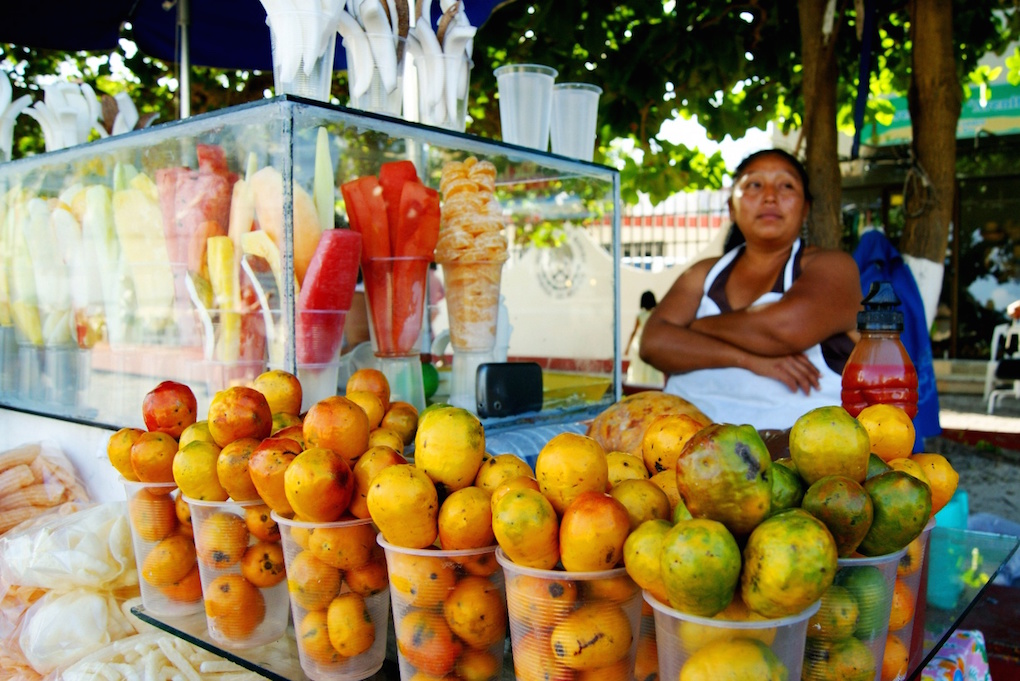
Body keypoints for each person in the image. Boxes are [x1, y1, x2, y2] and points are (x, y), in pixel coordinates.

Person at [639, 149, 861, 430]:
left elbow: (784, 329)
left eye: (786, 186)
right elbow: (654, 343)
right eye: (754, 185)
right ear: (731, 207)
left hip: (799, 460)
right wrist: (749, 359)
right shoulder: (705, 273)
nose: (770, 196)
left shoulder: (833, 266)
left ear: (805, 209)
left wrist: (695, 328)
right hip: (681, 446)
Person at [625, 291, 666, 387]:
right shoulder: (656, 314)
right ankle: (653, 383)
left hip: (641, 342)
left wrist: (627, 348)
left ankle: (640, 382)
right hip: (653, 341)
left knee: (640, 366)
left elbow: (634, 332)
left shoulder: (641, 315)